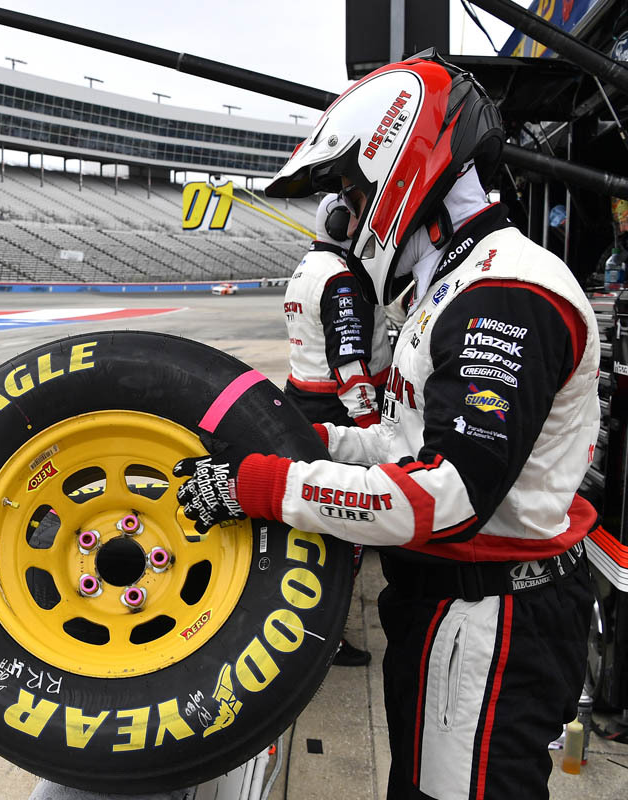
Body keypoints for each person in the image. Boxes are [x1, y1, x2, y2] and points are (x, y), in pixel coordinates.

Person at [173, 52, 598, 800]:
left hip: (493, 614)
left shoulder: (506, 291)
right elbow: (403, 443)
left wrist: (263, 485)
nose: (348, 207)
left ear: (398, 166)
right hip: (452, 605)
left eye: (351, 186)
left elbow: (445, 495)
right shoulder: (456, 282)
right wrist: (301, 442)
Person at [283, 192, 392, 666]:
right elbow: (348, 362)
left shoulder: (305, 269)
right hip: (338, 412)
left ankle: (313, 626)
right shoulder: (340, 278)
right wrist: (373, 427)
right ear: (343, 222)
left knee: (314, 524)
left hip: (303, 401)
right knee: (346, 526)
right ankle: (327, 636)